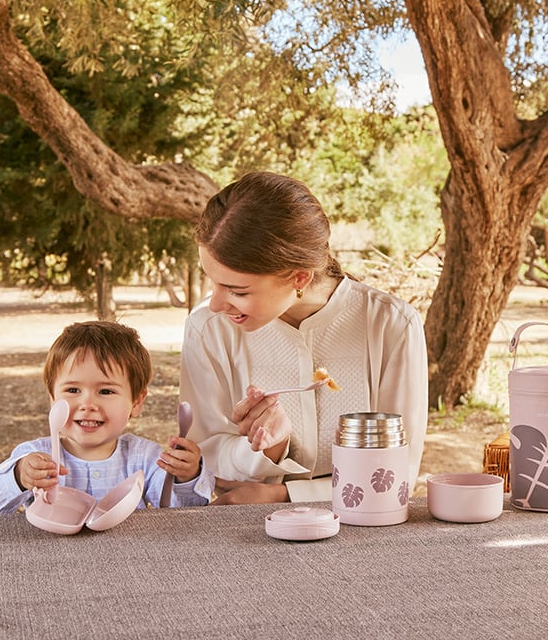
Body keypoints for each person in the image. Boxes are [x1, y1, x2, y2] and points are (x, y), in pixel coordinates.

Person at [181, 171, 428, 504]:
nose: (216, 303)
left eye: (236, 291)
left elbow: (395, 477)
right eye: (212, 282)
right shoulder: (207, 328)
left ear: (299, 276)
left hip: (367, 531)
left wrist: (284, 495)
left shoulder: (392, 326)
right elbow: (206, 458)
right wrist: (270, 448)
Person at [0, 321, 213, 514]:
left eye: (106, 391)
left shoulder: (145, 458)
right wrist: (19, 476)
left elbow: (180, 512)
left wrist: (186, 476)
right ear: (53, 399)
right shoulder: (36, 455)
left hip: (127, 561)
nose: (87, 405)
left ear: (136, 402)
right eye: (73, 390)